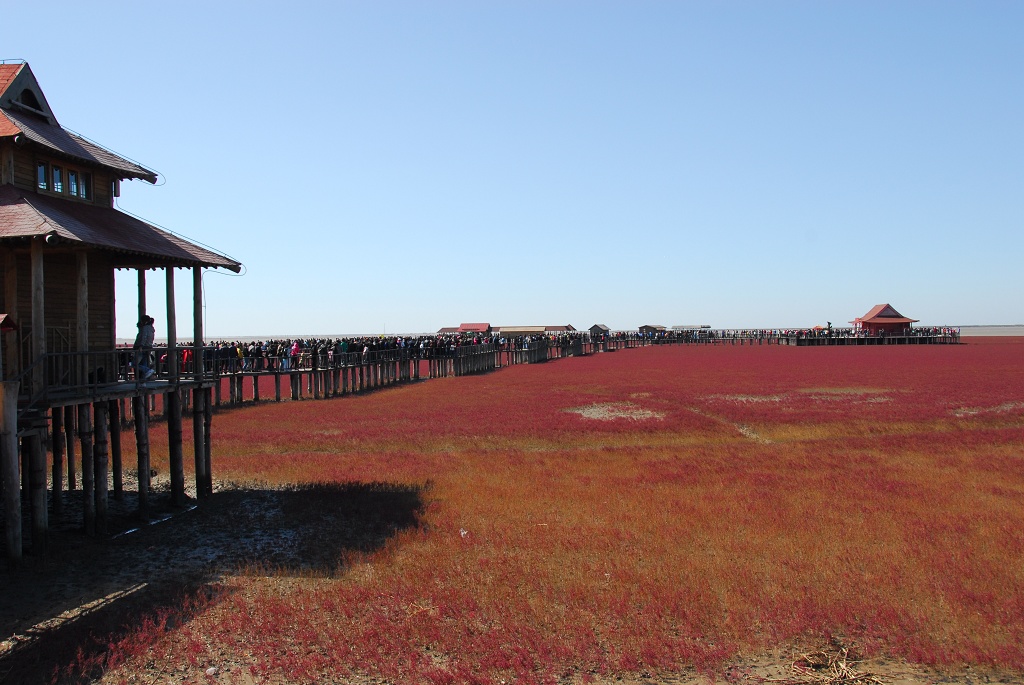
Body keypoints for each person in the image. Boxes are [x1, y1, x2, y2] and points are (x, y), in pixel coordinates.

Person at [134, 315, 156, 381]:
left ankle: (148, 370)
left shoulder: (145, 328)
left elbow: (144, 337)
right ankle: (143, 380)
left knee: (134, 364)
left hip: (143, 348)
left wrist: (141, 346)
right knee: (144, 363)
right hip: (149, 347)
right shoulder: (151, 329)